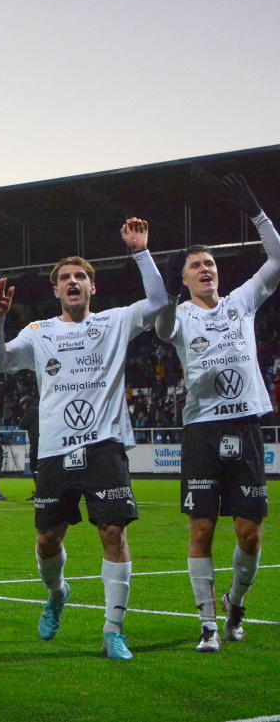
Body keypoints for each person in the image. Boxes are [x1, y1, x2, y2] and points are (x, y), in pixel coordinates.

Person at [0, 218, 165, 660]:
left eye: (80, 276)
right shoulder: (40, 332)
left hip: (105, 445)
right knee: (47, 540)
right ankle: (57, 592)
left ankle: (113, 631)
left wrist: (141, 252)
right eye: (65, 277)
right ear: (56, 290)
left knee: (113, 533)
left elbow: (160, 301)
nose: (73, 281)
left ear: (92, 287)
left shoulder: (115, 321)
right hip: (55, 449)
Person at [154, 172, 278, 653]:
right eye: (196, 265)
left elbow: (278, 259)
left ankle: (235, 603)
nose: (206, 268)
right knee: (202, 528)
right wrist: (167, 293)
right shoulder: (180, 316)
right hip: (202, 431)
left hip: (245, 426)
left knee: (249, 534)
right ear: (185, 279)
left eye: (209, 263)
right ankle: (208, 624)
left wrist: (257, 213)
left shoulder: (241, 302)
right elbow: (162, 326)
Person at [20, 395, 40, 501]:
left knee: (34, 467)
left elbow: (22, 424)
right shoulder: (41, 408)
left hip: (35, 442)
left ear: (25, 405)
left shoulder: (30, 411)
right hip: (46, 441)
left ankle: (39, 492)